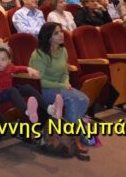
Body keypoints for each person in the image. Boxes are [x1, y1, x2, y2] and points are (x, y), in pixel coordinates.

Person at [30, 22, 90, 153]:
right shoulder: (39, 54)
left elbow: (65, 72)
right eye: (56, 33)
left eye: (61, 31)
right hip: (45, 90)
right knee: (72, 100)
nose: (61, 34)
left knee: (85, 99)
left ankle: (69, 132)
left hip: (61, 87)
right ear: (48, 37)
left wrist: (66, 82)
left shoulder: (63, 50)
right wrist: (62, 85)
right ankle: (75, 138)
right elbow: (40, 81)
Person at [0, 41, 63, 124]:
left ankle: (50, 109)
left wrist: (28, 69)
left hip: (10, 92)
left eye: (3, 59)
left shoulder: (10, 67)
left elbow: (19, 68)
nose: (0, 62)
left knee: (26, 87)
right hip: (0, 95)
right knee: (12, 90)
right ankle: (28, 111)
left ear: (9, 60)